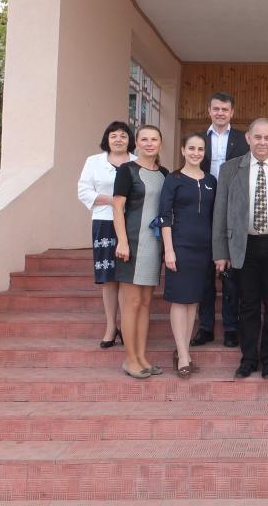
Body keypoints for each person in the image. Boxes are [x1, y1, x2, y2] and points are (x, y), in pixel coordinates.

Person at [212, 118, 268, 379]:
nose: (262, 142)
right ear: (248, 138)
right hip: (243, 245)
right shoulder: (230, 169)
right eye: (257, 137)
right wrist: (220, 252)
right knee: (247, 305)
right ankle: (248, 359)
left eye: (267, 137)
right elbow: (220, 212)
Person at [158, 133, 217, 378]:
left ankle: (185, 349)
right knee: (180, 300)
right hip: (180, 247)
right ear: (183, 150)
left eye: (200, 149)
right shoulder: (173, 180)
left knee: (193, 301)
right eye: (191, 148)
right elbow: (165, 217)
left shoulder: (211, 180)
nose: (196, 153)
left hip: (204, 250)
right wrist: (169, 250)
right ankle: (183, 355)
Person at [193, 91, 249, 349]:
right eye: (216, 108)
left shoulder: (242, 139)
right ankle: (205, 326)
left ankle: (231, 327)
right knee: (205, 272)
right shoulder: (197, 140)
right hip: (203, 209)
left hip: (233, 209)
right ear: (209, 110)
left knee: (231, 274)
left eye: (225, 109)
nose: (220, 113)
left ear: (232, 112)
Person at [112, 125, 168, 379]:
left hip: (154, 246)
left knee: (145, 304)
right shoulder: (127, 170)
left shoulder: (164, 173)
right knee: (131, 303)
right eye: (144, 139)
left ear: (160, 143)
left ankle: (142, 357)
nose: (149, 143)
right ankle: (130, 359)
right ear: (136, 142)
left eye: (154, 139)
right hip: (133, 244)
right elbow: (117, 207)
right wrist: (122, 241)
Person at [77, 121, 136, 349]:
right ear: (107, 139)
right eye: (114, 135)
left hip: (132, 223)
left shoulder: (137, 162)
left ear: (129, 140)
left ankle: (128, 327)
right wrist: (114, 200)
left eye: (123, 135)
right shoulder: (94, 161)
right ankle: (111, 327)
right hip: (104, 221)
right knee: (108, 278)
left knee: (126, 277)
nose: (119, 139)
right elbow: (84, 191)